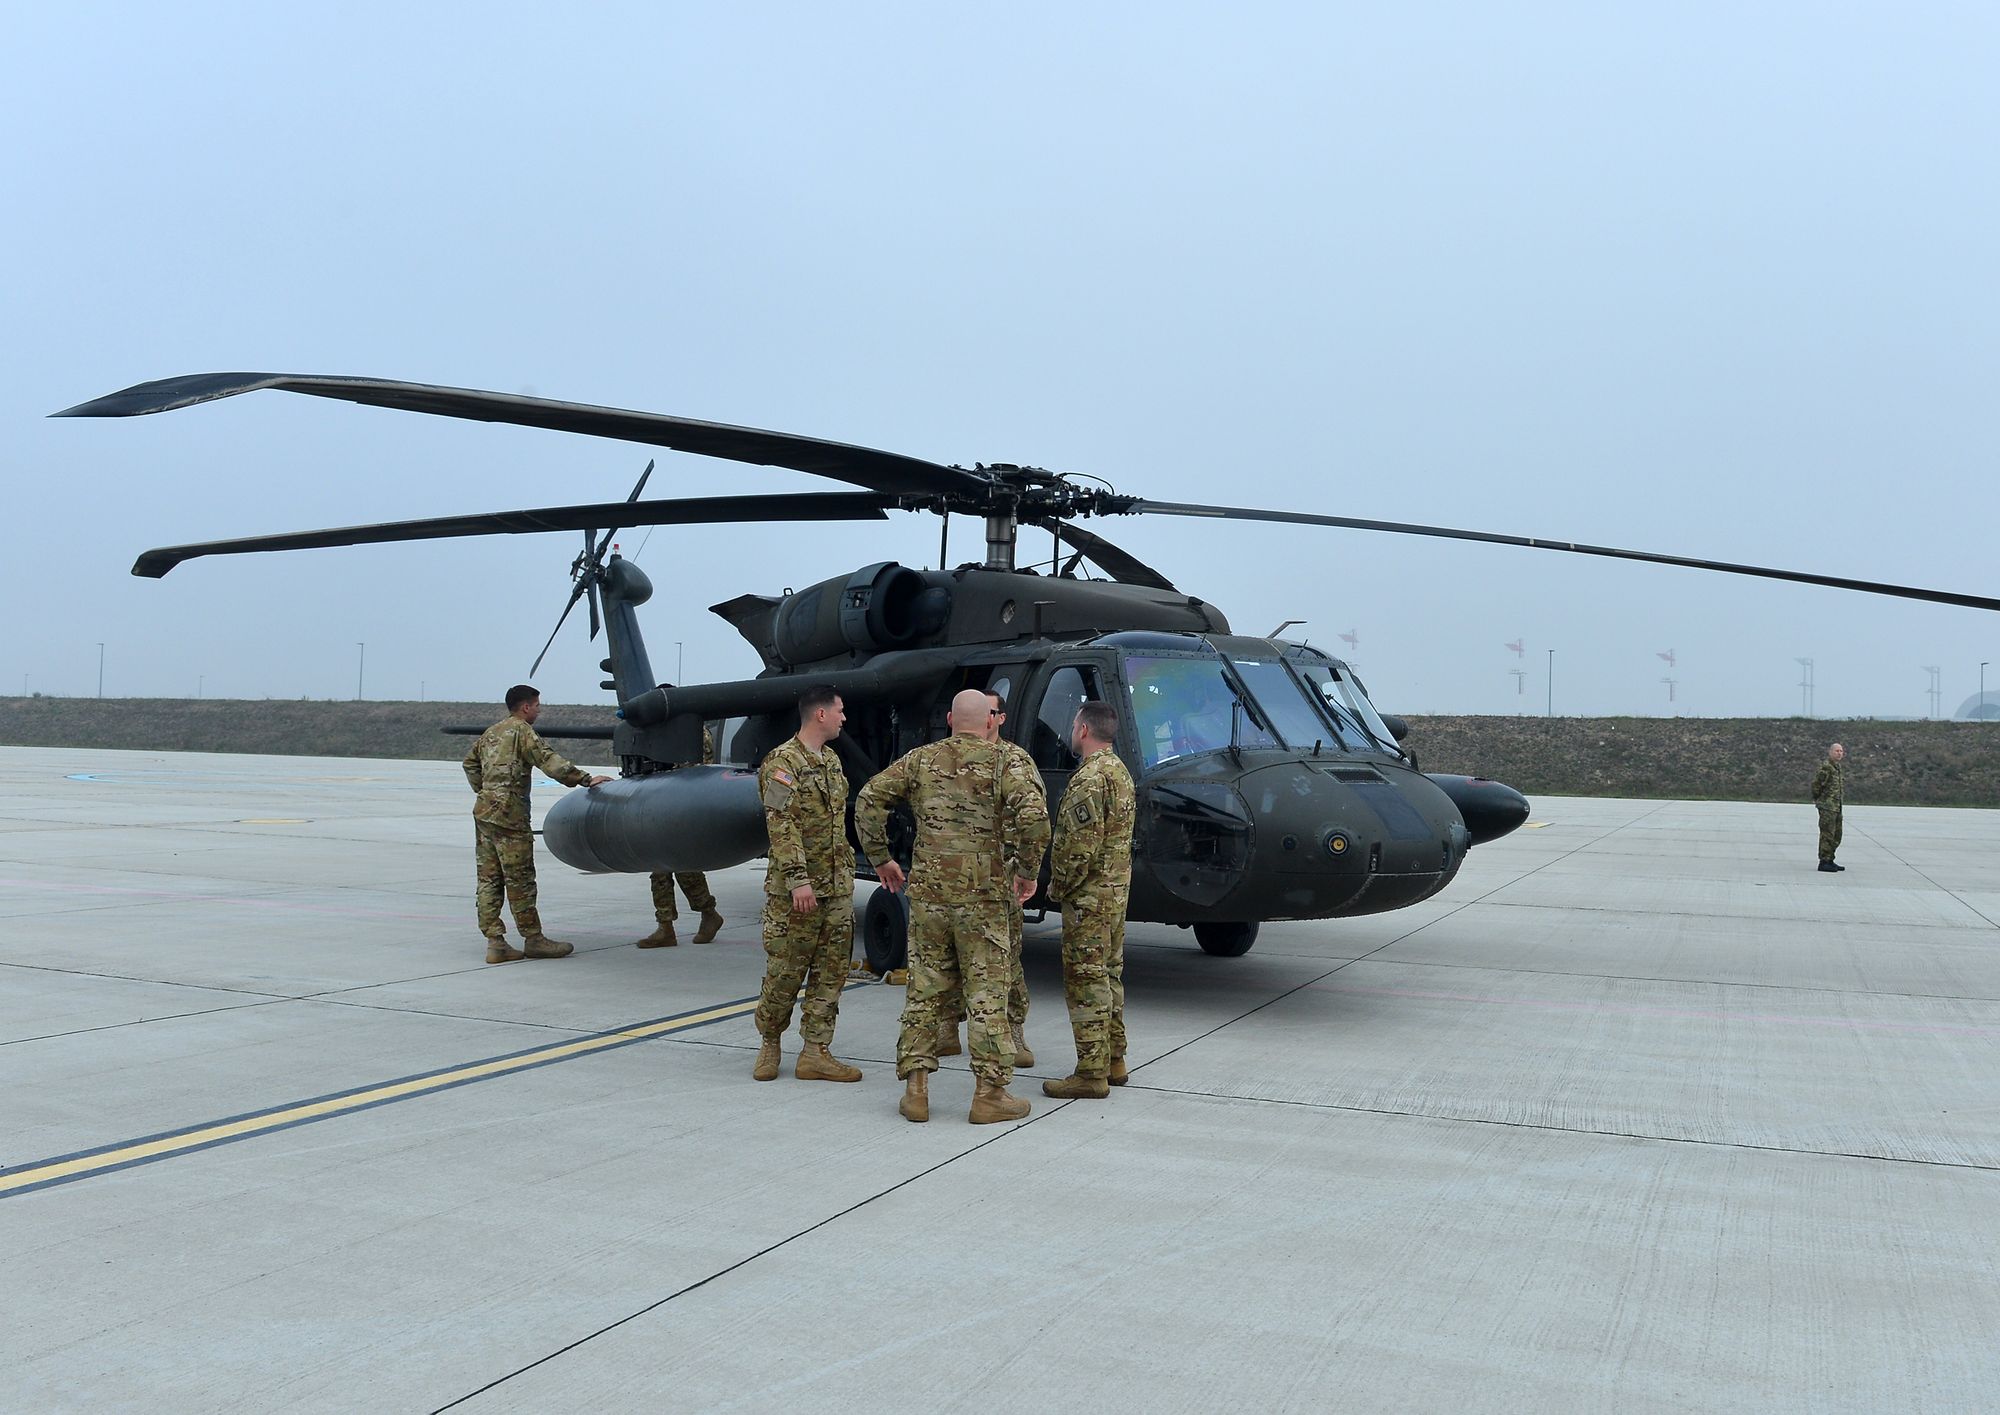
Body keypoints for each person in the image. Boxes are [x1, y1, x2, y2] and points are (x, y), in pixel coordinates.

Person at [858, 689, 1050, 1124]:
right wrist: (1026, 871)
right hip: (983, 898)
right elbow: (1035, 819)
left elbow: (869, 798)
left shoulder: (920, 760)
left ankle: (916, 1091)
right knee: (986, 994)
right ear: (989, 721)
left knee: (924, 989)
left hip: (929, 897)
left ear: (949, 719)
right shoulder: (1007, 761)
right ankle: (988, 1095)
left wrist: (881, 858)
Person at [751, 685, 863, 1083]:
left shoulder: (831, 761)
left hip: (836, 887)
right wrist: (799, 881)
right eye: (840, 710)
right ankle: (770, 1041)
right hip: (797, 891)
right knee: (786, 970)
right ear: (820, 714)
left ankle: (816, 1051)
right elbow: (781, 824)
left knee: (832, 972)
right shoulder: (782, 762)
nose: (844, 718)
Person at [462, 684, 611, 963]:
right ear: (526, 707)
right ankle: (533, 939)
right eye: (537, 706)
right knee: (520, 878)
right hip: (510, 816)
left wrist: (486, 791)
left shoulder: (491, 733)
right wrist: (585, 779)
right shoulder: (522, 731)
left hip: (484, 813)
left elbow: (469, 763)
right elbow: (548, 760)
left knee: (489, 878)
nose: (539, 711)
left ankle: (495, 942)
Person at [935, 689, 1035, 1068]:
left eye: (991, 710)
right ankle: (947, 1028)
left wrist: (1025, 870)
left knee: (1006, 957)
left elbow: (1034, 819)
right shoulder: (945, 758)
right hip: (952, 879)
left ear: (999, 718)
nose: (986, 717)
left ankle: (1013, 1030)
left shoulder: (1014, 760)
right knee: (945, 955)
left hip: (999, 879)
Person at [1043, 702, 1138, 1098]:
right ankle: (1115, 1059)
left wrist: (1057, 887)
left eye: (1073, 725)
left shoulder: (1089, 779)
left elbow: (1078, 848)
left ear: (1083, 730)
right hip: (1114, 896)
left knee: (1086, 982)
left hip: (1089, 900)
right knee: (1109, 976)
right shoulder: (1119, 772)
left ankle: (1091, 1073)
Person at [635, 724, 725, 949]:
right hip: (663, 802)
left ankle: (707, 913)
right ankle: (666, 926)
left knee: (685, 868)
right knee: (659, 868)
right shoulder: (665, 731)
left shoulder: (693, 731)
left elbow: (694, 771)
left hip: (685, 805)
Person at [1812, 742, 1847, 873]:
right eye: (1837, 751)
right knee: (1827, 834)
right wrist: (1821, 800)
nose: (1839, 753)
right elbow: (1816, 785)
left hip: (1836, 807)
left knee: (1837, 834)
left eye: (1841, 751)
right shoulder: (1826, 767)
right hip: (1827, 807)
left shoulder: (1837, 767)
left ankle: (1830, 859)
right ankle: (1824, 861)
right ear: (1830, 752)